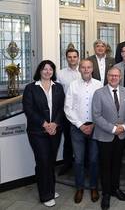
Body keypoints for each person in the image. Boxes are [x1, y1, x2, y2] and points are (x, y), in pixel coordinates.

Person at [23, 60, 65, 207]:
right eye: (44, 69)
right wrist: (45, 124)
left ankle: (51, 189)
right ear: (39, 71)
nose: (47, 72)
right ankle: (45, 195)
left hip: (55, 130)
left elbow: (61, 108)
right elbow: (29, 109)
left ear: (53, 72)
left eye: (50, 69)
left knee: (51, 161)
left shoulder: (58, 87)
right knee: (43, 161)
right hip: (37, 132)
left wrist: (55, 124)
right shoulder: (30, 88)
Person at [64, 59, 103, 204]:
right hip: (77, 128)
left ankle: (93, 187)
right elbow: (68, 108)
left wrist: (93, 124)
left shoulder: (99, 85)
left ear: (92, 69)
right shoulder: (73, 85)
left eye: (88, 67)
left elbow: (102, 107)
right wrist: (81, 125)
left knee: (93, 159)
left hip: (95, 127)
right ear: (79, 69)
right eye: (83, 67)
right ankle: (79, 188)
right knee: (79, 160)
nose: (86, 70)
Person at [92, 67, 125, 210]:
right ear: (107, 77)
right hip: (105, 136)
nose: (114, 78)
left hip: (121, 136)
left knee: (117, 164)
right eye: (111, 75)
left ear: (120, 77)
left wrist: (124, 127)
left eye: (116, 76)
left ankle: (116, 189)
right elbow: (96, 115)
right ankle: (106, 193)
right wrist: (113, 128)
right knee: (105, 166)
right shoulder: (99, 93)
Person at [56, 47, 80, 176]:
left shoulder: (83, 72)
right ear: (66, 58)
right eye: (70, 57)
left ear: (78, 58)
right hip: (66, 111)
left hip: (81, 112)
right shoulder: (60, 73)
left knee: (82, 138)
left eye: (74, 57)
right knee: (68, 139)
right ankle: (67, 163)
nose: (72, 59)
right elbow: (58, 93)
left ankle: (83, 163)